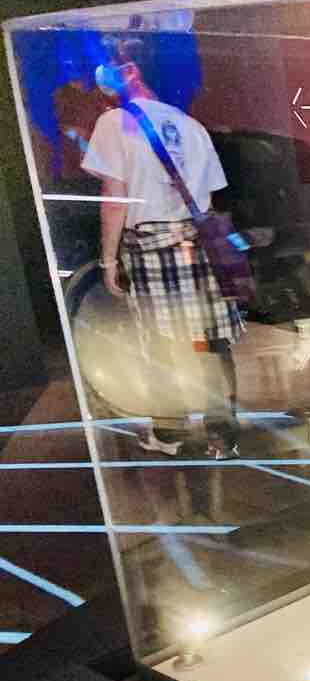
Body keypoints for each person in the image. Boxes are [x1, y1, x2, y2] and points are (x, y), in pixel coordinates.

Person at [82, 34, 243, 459]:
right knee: (209, 342)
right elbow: (208, 201)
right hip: (197, 247)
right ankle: (223, 436)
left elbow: (114, 200)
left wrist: (109, 260)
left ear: (130, 70)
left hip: (152, 250)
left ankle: (170, 435)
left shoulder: (115, 123)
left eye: (107, 66)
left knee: (162, 343)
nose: (99, 77)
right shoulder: (191, 127)